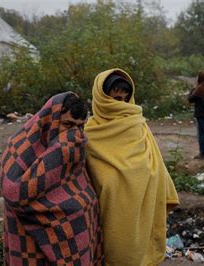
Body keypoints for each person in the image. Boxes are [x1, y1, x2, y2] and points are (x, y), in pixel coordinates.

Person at [84, 68, 179, 265]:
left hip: (144, 202)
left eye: (125, 100)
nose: (122, 105)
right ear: (101, 98)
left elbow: (156, 162)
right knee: (117, 254)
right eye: (115, 99)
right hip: (110, 211)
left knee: (142, 252)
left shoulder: (138, 124)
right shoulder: (90, 133)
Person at [0, 92, 104, 265]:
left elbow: (78, 190)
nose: (73, 134)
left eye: (79, 127)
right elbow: (14, 192)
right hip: (27, 242)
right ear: (51, 120)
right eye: (67, 124)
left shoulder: (73, 153)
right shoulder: (20, 147)